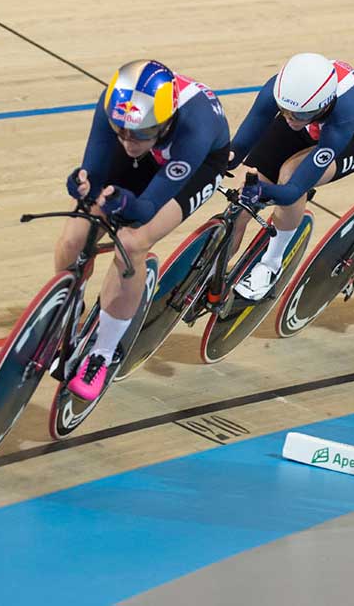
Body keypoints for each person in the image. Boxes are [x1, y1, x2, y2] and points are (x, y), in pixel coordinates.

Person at [57, 59, 230, 400]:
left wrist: (125, 202)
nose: (127, 141)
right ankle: (67, 310)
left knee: (132, 242)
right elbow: (93, 172)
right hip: (155, 147)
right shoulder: (118, 108)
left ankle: (102, 354)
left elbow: (147, 207)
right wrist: (82, 184)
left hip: (197, 165)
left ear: (165, 122)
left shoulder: (196, 127)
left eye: (138, 134)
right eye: (120, 131)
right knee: (75, 236)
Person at [228, 52, 354, 300]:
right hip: (309, 124)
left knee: (291, 174)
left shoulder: (347, 110)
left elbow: (293, 190)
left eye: (296, 114)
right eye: (283, 110)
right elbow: (241, 144)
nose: (288, 119)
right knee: (239, 206)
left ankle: (271, 265)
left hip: (353, 139)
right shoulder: (284, 96)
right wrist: (222, 161)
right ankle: (207, 271)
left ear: (324, 105)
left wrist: (264, 192)